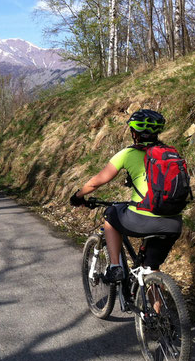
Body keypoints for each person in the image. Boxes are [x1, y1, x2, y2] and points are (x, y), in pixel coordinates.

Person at [70, 109, 183, 284]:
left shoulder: (128, 154)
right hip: (173, 222)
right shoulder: (171, 153)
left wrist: (77, 196)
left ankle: (116, 267)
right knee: (150, 269)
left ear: (134, 133)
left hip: (143, 218)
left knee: (111, 213)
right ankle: (153, 311)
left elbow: (96, 182)